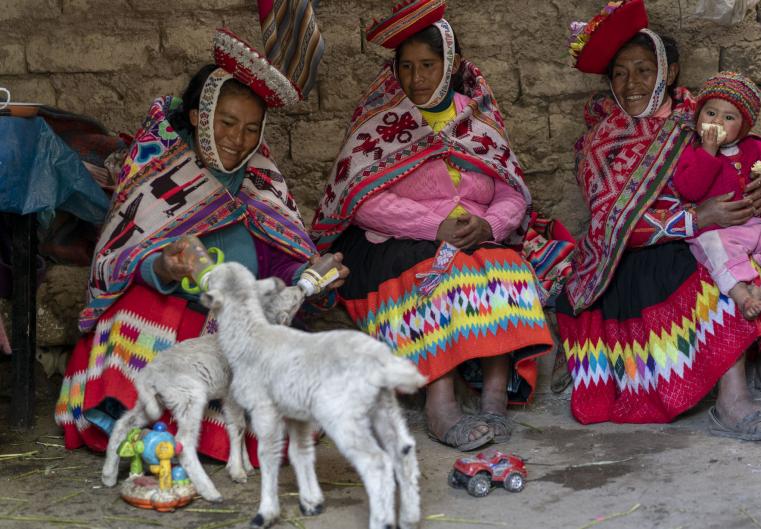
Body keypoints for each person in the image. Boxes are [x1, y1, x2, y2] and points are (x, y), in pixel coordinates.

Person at [54, 18, 345, 464]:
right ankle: (136, 424)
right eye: (227, 122)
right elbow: (116, 259)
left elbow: (279, 262)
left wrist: (310, 274)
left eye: (251, 128)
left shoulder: (261, 184)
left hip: (230, 326)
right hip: (165, 314)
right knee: (141, 313)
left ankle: (190, 435)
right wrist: (164, 266)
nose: (237, 140)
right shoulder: (159, 175)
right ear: (198, 116)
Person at [556, 0, 761, 440]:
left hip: (711, 233)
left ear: (670, 72)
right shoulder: (602, 141)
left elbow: (744, 155)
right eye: (619, 74)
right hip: (638, 255)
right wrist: (695, 218)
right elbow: (610, 225)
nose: (631, 84)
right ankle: (732, 402)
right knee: (708, 278)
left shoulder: (701, 116)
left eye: (643, 70)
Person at [311, 0, 553, 451]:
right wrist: (434, 225)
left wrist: (488, 225)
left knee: (506, 267)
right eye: (406, 66)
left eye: (428, 65)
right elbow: (360, 198)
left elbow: (512, 192)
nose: (416, 78)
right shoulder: (381, 120)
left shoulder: (477, 119)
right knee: (438, 273)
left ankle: (494, 396)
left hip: (472, 236)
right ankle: (440, 404)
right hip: (391, 243)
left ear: (452, 66)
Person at [675, 71, 761, 321]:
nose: (717, 122)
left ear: (743, 127)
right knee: (714, 248)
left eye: (729, 117)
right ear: (698, 116)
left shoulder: (754, 146)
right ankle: (743, 297)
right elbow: (690, 190)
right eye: (710, 113)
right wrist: (708, 151)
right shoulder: (693, 151)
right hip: (718, 231)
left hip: (755, 226)